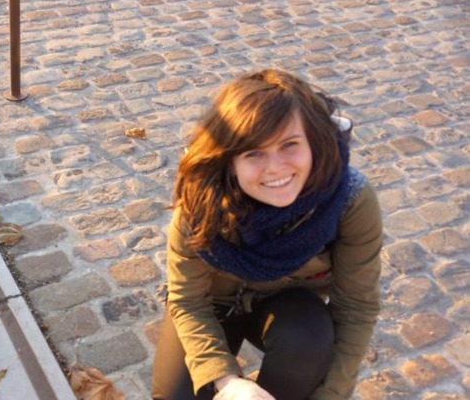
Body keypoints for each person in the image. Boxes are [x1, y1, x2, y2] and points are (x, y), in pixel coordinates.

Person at [151, 69, 382, 400]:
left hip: (288, 306)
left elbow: (356, 308)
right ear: (229, 161)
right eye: (254, 153)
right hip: (212, 302)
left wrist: (329, 396)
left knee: (309, 338)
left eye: (289, 145)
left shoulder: (348, 199)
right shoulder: (201, 199)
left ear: (314, 143)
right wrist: (226, 380)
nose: (275, 167)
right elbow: (187, 300)